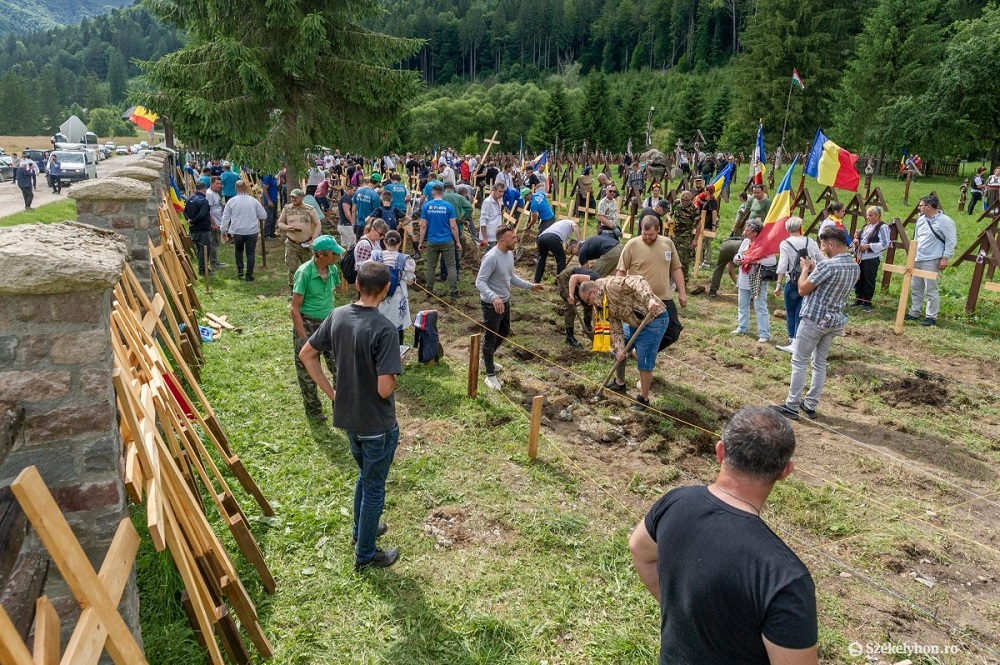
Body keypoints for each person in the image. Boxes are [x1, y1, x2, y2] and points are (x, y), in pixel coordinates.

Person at [629, 406, 817, 665]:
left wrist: (685, 613)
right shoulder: (784, 575)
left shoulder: (674, 503)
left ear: (720, 451)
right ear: (785, 471)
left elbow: (639, 550)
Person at [299, 262, 403, 571]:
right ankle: (366, 553)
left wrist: (333, 394)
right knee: (374, 488)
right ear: (386, 291)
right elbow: (384, 389)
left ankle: (361, 531)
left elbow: (307, 353)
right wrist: (396, 370)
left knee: (364, 477)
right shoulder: (384, 329)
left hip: (349, 419)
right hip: (376, 422)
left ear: (356, 284)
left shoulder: (338, 315)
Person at [772, 226, 861, 420]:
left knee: (799, 360)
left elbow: (803, 289)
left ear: (831, 244)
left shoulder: (828, 266)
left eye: (823, 245)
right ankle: (810, 404)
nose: (822, 249)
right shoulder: (854, 266)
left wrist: (805, 270)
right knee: (819, 362)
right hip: (834, 320)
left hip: (814, 319)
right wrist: (814, 268)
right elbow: (830, 280)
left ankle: (792, 405)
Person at [577, 271, 678, 412]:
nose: (589, 304)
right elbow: (614, 327)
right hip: (634, 322)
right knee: (616, 348)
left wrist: (649, 299)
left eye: (588, 300)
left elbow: (637, 280)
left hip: (654, 319)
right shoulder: (600, 304)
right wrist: (619, 349)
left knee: (644, 360)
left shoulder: (611, 285)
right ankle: (620, 382)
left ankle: (643, 399)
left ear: (593, 292)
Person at [475, 225, 544, 390]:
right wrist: (494, 297)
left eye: (515, 236)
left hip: (505, 301)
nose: (516, 240)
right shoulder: (491, 257)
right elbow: (480, 281)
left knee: (504, 331)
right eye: (512, 238)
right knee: (490, 338)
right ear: (501, 240)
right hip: (492, 304)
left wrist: (530, 286)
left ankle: (486, 360)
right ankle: (490, 375)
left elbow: (510, 276)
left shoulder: (509, 254)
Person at [291, 235, 345, 421]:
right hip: (308, 323)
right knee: (307, 372)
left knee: (339, 367)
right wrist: (303, 337)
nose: (335, 257)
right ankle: (313, 411)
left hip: (329, 324)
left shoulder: (332, 270)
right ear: (320, 254)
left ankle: (340, 407)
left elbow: (332, 293)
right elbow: (294, 308)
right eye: (332, 253)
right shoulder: (304, 272)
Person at [560, 234, 623, 346]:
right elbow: (574, 277)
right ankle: (569, 336)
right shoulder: (594, 279)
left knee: (588, 302)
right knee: (571, 305)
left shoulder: (599, 284)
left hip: (611, 251)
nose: (572, 254)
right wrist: (571, 294)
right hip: (566, 278)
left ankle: (587, 326)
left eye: (571, 251)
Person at [774, 217, 825, 353]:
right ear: (800, 227)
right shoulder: (811, 242)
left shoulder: (785, 243)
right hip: (810, 281)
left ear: (787, 229)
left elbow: (783, 264)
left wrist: (778, 283)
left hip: (793, 281)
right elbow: (822, 260)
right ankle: (799, 340)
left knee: (791, 311)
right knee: (801, 313)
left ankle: (793, 340)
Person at [904, 194, 957, 327]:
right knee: (916, 286)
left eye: (921, 205)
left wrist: (945, 258)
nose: (919, 208)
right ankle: (914, 311)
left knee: (931, 289)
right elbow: (916, 237)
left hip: (932, 259)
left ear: (928, 207)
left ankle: (931, 316)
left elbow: (951, 241)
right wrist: (912, 255)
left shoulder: (945, 221)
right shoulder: (921, 219)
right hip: (918, 257)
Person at [733, 219, 777, 343]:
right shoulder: (746, 242)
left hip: (757, 278)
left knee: (760, 306)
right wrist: (738, 259)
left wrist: (755, 261)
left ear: (755, 233)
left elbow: (772, 261)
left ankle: (764, 333)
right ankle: (742, 327)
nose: (745, 232)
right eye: (745, 229)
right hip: (744, 277)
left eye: (747, 230)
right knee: (742, 305)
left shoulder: (764, 244)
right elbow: (738, 255)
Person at [370, 231, 416, 344]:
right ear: (399, 243)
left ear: (384, 242)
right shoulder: (405, 259)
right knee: (397, 328)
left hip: (378, 297)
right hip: (398, 297)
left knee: (379, 327)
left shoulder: (375, 256)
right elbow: (410, 281)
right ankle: (397, 354)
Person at [419, 183, 460, 301]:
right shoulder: (448, 206)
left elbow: (423, 226)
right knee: (451, 266)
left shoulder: (427, 206)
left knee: (431, 266)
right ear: (442, 193)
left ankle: (429, 289)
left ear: (432, 193)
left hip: (432, 240)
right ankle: (454, 291)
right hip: (447, 240)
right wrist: (457, 241)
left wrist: (421, 242)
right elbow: (453, 226)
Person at [221, 180, 267, 281]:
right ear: (246, 188)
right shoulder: (253, 201)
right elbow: (263, 215)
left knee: (238, 250)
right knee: (250, 253)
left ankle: (240, 270)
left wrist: (223, 229)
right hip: (251, 231)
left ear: (236, 188)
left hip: (238, 231)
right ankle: (249, 274)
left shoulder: (231, 201)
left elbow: (225, 216)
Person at [277, 188, 323, 289]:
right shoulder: (287, 209)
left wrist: (313, 239)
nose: (293, 199)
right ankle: (293, 290)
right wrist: (286, 227)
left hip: (306, 244)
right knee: (292, 267)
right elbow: (280, 223)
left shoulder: (309, 209)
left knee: (309, 267)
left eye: (295, 197)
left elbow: (318, 225)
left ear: (302, 197)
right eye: (291, 197)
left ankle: (309, 288)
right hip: (291, 243)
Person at [709, 192, 750, 297]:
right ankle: (747, 292)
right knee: (747, 269)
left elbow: (730, 270)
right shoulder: (751, 242)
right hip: (738, 247)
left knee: (719, 267)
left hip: (727, 244)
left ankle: (713, 290)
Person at [851, 206, 890, 311]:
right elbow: (861, 237)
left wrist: (868, 246)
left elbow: (885, 243)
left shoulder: (882, 227)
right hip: (860, 256)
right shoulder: (866, 226)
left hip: (871, 257)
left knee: (869, 279)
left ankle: (867, 302)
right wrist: (856, 240)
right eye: (867, 215)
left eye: (871, 215)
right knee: (859, 278)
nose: (868, 217)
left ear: (878, 216)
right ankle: (858, 299)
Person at [533, 218, 579, 284]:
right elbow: (575, 225)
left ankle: (536, 280)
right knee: (561, 260)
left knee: (541, 259)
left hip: (541, 237)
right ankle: (560, 283)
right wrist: (580, 240)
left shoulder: (560, 225)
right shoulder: (571, 222)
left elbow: (559, 245)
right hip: (553, 237)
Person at [183, 182, 213, 276]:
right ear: (204, 190)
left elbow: (185, 212)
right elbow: (202, 215)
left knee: (199, 249)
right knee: (204, 250)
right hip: (203, 229)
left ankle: (202, 267)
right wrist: (192, 221)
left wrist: (189, 220)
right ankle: (203, 269)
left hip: (193, 230)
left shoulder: (190, 199)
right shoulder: (203, 201)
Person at [669, 190, 699, 278]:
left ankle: (683, 279)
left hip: (685, 238)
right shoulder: (676, 203)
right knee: (671, 257)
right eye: (683, 200)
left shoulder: (694, 208)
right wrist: (670, 219)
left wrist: (695, 239)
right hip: (674, 235)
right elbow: (669, 214)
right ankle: (671, 279)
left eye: (687, 200)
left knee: (683, 260)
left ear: (691, 200)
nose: (685, 202)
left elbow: (699, 224)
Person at [353, 174, 381, 242]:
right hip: (369, 226)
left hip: (359, 223)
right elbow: (376, 213)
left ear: (369, 180)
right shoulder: (375, 196)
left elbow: (353, 210)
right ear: (377, 183)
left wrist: (354, 224)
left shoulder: (358, 192)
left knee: (358, 245)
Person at [206, 177, 225, 270]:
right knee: (213, 243)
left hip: (218, 221)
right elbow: (207, 211)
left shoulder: (216, 193)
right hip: (214, 224)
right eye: (217, 183)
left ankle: (215, 261)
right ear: (212, 183)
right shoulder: (209, 194)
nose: (219, 185)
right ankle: (213, 263)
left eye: (220, 184)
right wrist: (213, 224)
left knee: (216, 242)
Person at [479, 182, 505, 251]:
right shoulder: (488, 202)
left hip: (496, 236)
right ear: (494, 190)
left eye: (503, 192)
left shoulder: (497, 202)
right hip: (490, 238)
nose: (502, 194)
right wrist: (485, 238)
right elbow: (483, 220)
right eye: (499, 191)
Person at [338, 182, 357, 249]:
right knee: (352, 245)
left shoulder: (344, 198)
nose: (355, 192)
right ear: (349, 190)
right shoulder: (346, 198)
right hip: (346, 226)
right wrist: (352, 223)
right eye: (354, 190)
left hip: (342, 225)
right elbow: (346, 212)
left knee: (344, 246)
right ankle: (349, 259)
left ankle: (343, 259)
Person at [260, 172, 279, 238]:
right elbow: (264, 189)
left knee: (274, 217)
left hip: (275, 200)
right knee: (269, 218)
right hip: (269, 200)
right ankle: (266, 234)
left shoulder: (274, 178)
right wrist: (269, 200)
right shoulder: (268, 177)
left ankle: (271, 233)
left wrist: (281, 183)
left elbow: (276, 189)